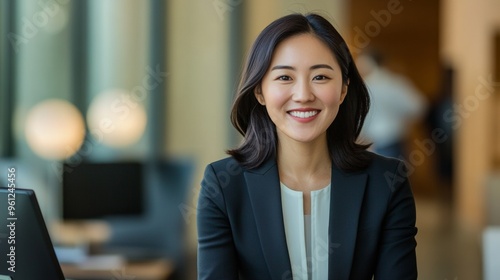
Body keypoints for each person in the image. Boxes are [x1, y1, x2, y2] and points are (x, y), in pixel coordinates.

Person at [197, 13, 417, 280]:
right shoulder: (222, 185)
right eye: (284, 78)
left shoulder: (387, 182)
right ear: (259, 92)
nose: (303, 95)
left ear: (344, 88)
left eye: (321, 77)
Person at [356, 49, 427, 158]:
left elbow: (419, 106)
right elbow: (419, 106)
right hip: (394, 140)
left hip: (380, 142)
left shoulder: (366, 86)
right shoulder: (396, 82)